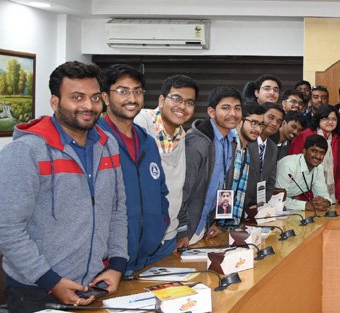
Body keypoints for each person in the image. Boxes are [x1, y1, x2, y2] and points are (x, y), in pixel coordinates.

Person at [0, 61, 128, 310]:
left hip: (94, 285)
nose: (88, 106)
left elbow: (117, 209)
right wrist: (51, 281)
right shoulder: (26, 152)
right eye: (77, 97)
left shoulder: (108, 144)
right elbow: (7, 228)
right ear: (55, 102)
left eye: (94, 98)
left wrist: (117, 264)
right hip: (37, 290)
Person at [97, 64, 169, 275]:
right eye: (122, 91)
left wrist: (159, 225)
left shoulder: (147, 141)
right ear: (105, 97)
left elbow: (161, 191)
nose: (132, 98)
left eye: (137, 91)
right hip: (106, 264)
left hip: (146, 257)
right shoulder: (94, 140)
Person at [134, 74, 198, 256]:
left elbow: (178, 187)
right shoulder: (141, 124)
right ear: (161, 100)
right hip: (141, 237)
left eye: (189, 102)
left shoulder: (182, 135)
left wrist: (181, 229)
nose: (182, 107)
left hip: (169, 235)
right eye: (176, 99)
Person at [178, 86, 242, 247]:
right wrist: (181, 231)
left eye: (237, 108)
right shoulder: (198, 142)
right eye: (226, 108)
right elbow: (182, 190)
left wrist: (218, 221)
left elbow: (224, 185)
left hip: (206, 227)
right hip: (187, 229)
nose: (233, 113)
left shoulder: (231, 141)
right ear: (211, 112)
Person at [289, 104, 340, 202]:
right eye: (326, 118)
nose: (330, 122)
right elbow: (294, 164)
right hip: (304, 193)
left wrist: (339, 195)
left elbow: (338, 170)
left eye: (334, 119)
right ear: (318, 119)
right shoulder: (305, 135)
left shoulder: (336, 140)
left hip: (329, 194)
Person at [276, 134, 333, 211]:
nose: (318, 156)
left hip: (289, 209)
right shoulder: (288, 165)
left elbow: (323, 194)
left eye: (322, 153)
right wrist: (305, 205)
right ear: (304, 151)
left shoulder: (318, 168)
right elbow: (277, 199)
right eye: (314, 151)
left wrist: (326, 203)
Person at [238, 104, 278, 213]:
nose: (258, 129)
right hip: (229, 208)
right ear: (240, 121)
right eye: (254, 123)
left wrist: (261, 204)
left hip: (253, 209)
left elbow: (270, 181)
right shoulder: (234, 146)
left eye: (260, 125)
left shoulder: (273, 148)